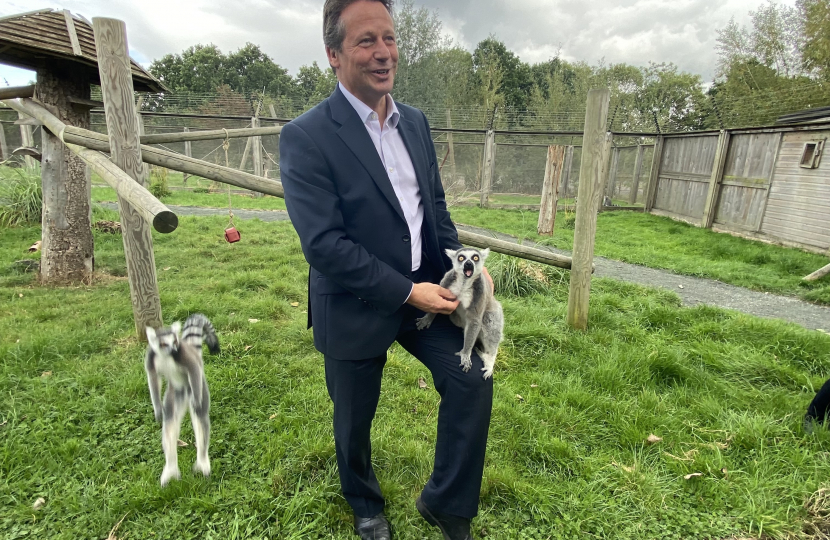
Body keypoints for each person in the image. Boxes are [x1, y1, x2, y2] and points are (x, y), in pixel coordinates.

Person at [279, 1, 493, 538]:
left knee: (472, 381)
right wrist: (406, 292)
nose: (383, 54)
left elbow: (435, 209)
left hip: (430, 293)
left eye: (390, 39)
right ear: (333, 54)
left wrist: (464, 274)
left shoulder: (414, 123)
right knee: (354, 419)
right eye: (366, 41)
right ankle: (365, 504)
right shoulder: (306, 137)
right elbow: (325, 245)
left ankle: (446, 502)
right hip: (355, 302)